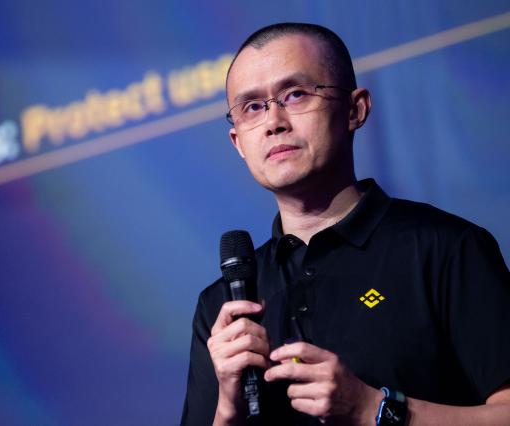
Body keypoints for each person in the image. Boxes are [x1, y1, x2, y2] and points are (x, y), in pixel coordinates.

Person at [181, 23, 510, 425]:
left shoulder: (446, 248)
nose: (274, 121)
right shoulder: (222, 306)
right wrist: (228, 409)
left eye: (295, 94)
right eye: (252, 106)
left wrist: (373, 409)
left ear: (355, 110)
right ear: (238, 142)